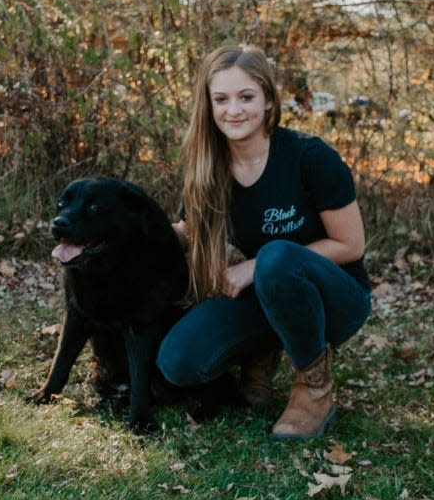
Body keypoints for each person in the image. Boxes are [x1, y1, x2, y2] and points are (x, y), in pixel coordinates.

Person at [156, 44, 372, 440]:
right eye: (221, 99)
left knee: (275, 259)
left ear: (269, 101)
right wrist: (122, 236)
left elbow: (350, 245)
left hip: (337, 297)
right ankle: (263, 349)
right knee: (178, 361)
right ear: (208, 105)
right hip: (268, 293)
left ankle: (314, 388)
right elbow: (189, 230)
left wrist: (255, 265)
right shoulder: (209, 166)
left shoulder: (309, 157)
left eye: (246, 97)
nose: (233, 110)